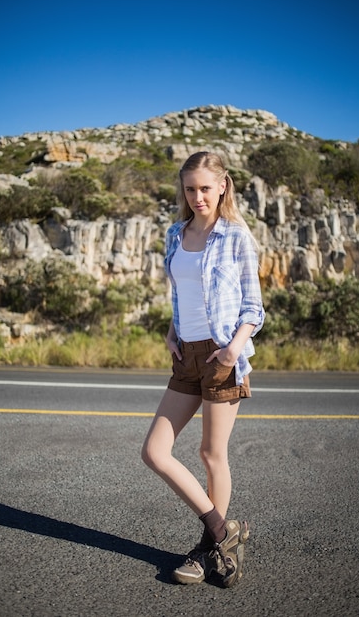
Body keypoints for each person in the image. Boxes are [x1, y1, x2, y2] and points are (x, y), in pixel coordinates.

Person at [141, 151, 265, 587]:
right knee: (154, 452)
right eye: (190, 189)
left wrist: (233, 350)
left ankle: (209, 549)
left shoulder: (235, 236)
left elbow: (254, 306)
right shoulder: (175, 234)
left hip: (220, 355)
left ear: (223, 186)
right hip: (185, 354)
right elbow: (181, 294)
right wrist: (172, 331)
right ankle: (223, 531)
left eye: (205, 188)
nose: (197, 197)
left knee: (211, 455)